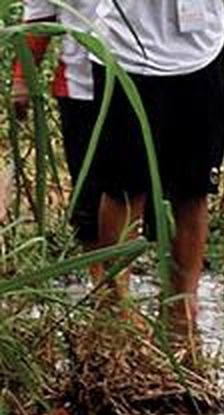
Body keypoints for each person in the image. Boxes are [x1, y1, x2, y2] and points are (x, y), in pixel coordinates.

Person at [90, 0, 224, 339]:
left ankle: (183, 305)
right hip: (125, 53)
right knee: (124, 188)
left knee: (194, 189)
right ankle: (116, 305)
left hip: (201, 52)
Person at [11, 0, 103, 250]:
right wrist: (22, 80)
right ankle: (103, 280)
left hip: (149, 82)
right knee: (89, 193)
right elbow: (39, 20)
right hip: (80, 87)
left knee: (149, 190)